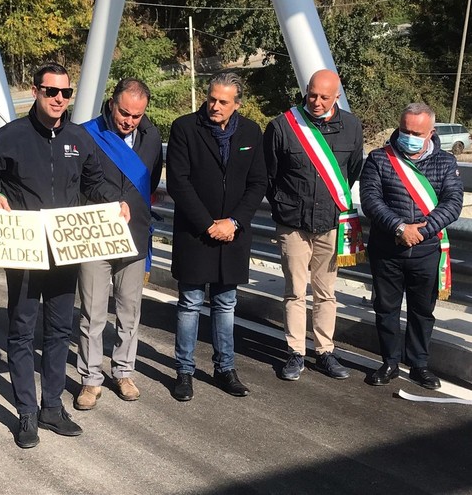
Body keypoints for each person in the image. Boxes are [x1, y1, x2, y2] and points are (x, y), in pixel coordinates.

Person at [0, 63, 130, 448]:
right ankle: (25, 414)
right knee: (22, 332)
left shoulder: (79, 138)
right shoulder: (10, 137)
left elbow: (94, 183)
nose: (59, 99)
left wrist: (115, 202)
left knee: (58, 331)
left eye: (65, 93)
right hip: (24, 248)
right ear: (36, 92)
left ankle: (51, 407)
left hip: (65, 249)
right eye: (51, 92)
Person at [166, 71, 267, 402]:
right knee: (190, 303)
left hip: (233, 236)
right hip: (196, 233)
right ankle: (184, 371)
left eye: (224, 101)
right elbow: (179, 182)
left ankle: (226, 368)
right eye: (211, 98)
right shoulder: (184, 128)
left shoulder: (251, 131)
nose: (215, 106)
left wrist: (234, 222)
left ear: (238, 103)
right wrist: (209, 224)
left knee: (226, 304)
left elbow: (257, 183)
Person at [263, 69, 363, 382]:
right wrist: (282, 208)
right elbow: (269, 175)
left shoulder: (352, 126)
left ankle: (325, 351)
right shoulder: (282, 126)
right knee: (294, 289)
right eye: (312, 95)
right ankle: (295, 351)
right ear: (306, 91)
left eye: (324, 97)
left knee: (326, 291)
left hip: (331, 222)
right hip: (293, 222)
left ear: (337, 96)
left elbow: (353, 170)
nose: (316, 102)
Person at [360, 103, 463, 389]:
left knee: (422, 311)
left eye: (416, 132)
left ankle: (419, 365)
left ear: (431, 132)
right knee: (386, 308)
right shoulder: (379, 159)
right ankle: (389, 362)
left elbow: (452, 204)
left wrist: (423, 231)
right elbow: (371, 200)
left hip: (426, 250)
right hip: (387, 249)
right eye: (404, 130)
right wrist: (400, 228)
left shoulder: (445, 162)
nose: (409, 136)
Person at [74, 78, 163, 410]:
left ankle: (124, 372)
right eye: (124, 112)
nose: (129, 120)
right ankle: (90, 379)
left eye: (137, 116)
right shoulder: (85, 134)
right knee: (93, 314)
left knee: (129, 312)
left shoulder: (152, 137)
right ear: (112, 103)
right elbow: (79, 181)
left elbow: (149, 181)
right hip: (96, 236)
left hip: (135, 235)